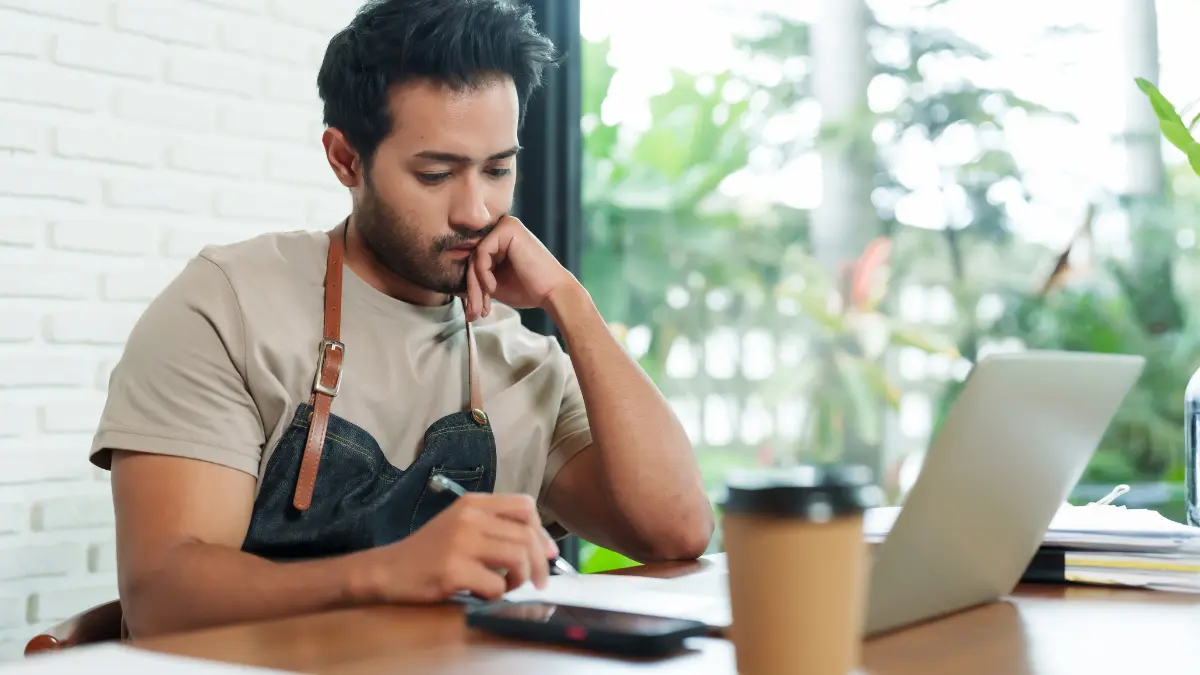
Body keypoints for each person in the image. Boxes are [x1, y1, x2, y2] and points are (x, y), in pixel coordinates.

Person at [90, 0, 713, 639]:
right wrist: (389, 572)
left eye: (499, 169)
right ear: (345, 160)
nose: (477, 210)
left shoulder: (525, 361)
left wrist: (570, 302)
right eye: (436, 173)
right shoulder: (229, 308)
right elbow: (162, 599)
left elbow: (677, 533)